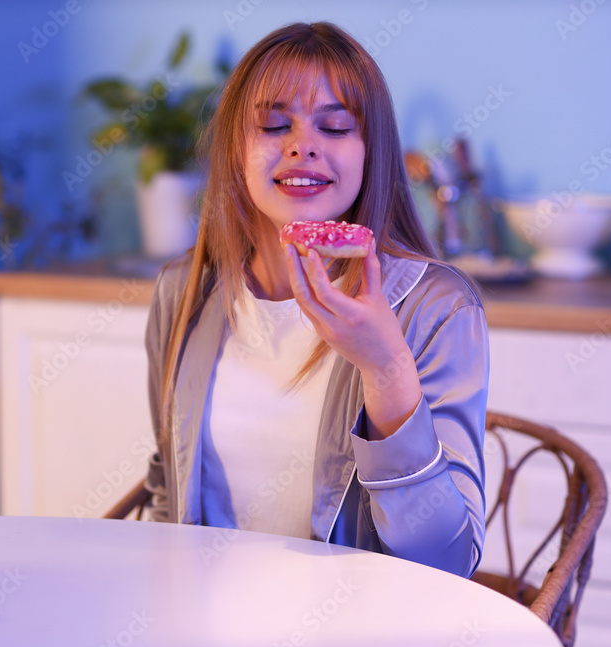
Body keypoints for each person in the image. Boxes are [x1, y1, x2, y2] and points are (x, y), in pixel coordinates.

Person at [143, 21, 488, 578]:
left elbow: (447, 564)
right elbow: (167, 494)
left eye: (335, 126)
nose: (303, 145)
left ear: (370, 152)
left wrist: (385, 366)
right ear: (236, 150)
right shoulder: (183, 291)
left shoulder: (438, 308)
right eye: (275, 124)